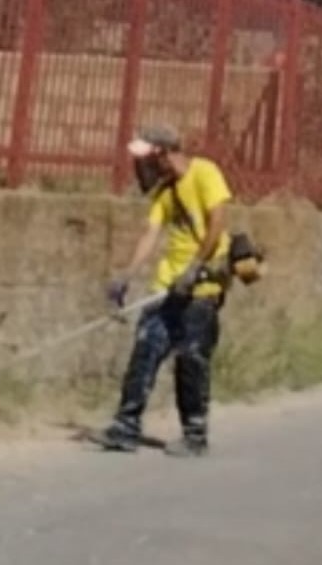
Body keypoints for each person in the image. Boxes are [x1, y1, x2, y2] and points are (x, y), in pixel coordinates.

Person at [93, 124, 232, 457]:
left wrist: (195, 267)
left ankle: (195, 435)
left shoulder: (205, 173)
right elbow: (150, 235)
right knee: (146, 348)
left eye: (147, 158)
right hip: (168, 284)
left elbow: (217, 223)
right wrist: (126, 275)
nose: (143, 167)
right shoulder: (165, 192)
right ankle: (126, 426)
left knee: (191, 358)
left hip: (202, 286)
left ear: (164, 154)